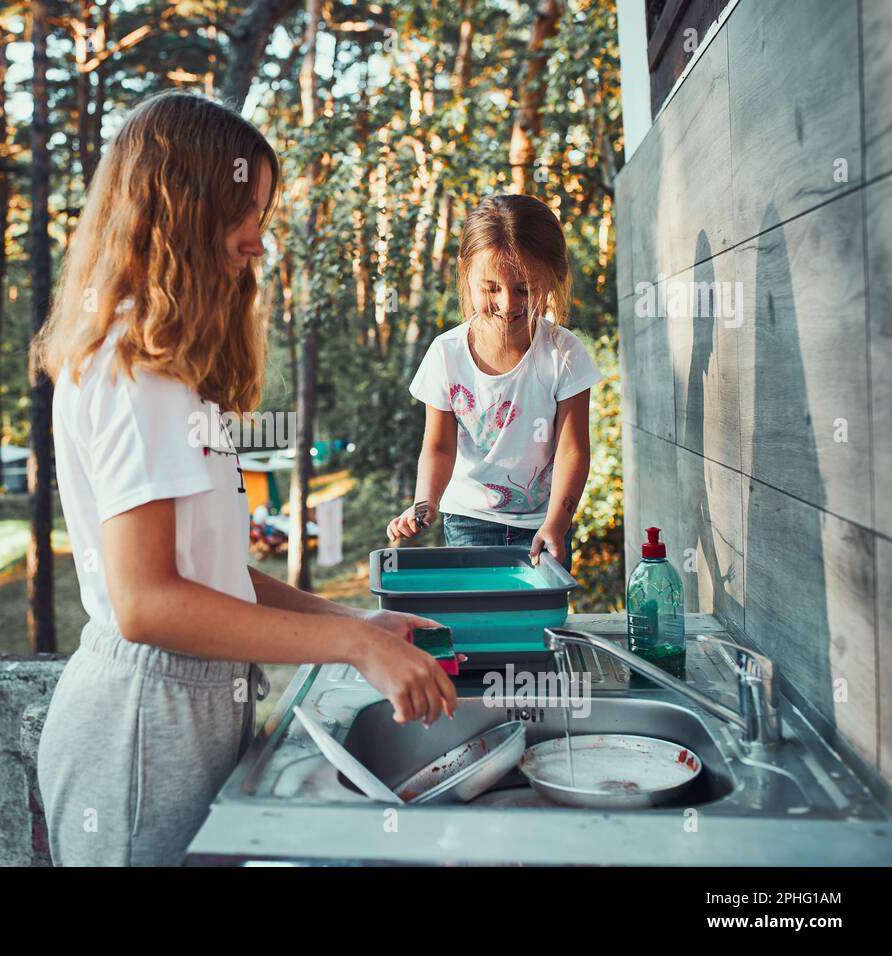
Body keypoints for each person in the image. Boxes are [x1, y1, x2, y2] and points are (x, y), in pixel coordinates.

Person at [32, 91, 459, 867]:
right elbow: (147, 602)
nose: (257, 242)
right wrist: (349, 646)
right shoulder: (138, 372)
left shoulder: (161, 368)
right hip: (140, 731)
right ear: (183, 208)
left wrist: (355, 624)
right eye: (244, 213)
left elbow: (213, 578)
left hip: (178, 712)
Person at [387, 194, 603, 571]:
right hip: (468, 519)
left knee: (538, 619)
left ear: (551, 280)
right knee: (479, 614)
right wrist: (425, 504)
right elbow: (438, 447)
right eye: (492, 288)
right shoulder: (446, 354)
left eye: (525, 288)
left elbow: (573, 451)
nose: (508, 304)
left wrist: (558, 522)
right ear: (466, 275)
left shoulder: (564, 353)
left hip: (544, 521)